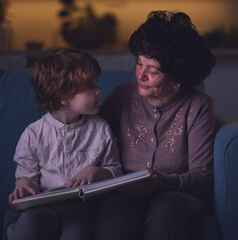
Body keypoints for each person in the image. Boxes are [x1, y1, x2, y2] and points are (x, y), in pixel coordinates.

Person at [95, 10, 216, 240]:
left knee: (165, 207)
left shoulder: (197, 106)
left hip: (174, 195)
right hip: (125, 193)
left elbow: (203, 177)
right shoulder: (123, 96)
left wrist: (164, 183)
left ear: (178, 78)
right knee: (115, 213)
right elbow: (90, 137)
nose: (141, 75)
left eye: (153, 71)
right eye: (139, 64)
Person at [7, 49, 121, 240]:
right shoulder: (33, 134)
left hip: (82, 206)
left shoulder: (101, 129)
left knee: (77, 233)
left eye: (96, 83)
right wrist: (24, 186)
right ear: (63, 96)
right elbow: (26, 175)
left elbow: (115, 169)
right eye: (90, 86)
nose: (99, 90)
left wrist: (95, 170)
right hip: (45, 205)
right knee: (25, 232)